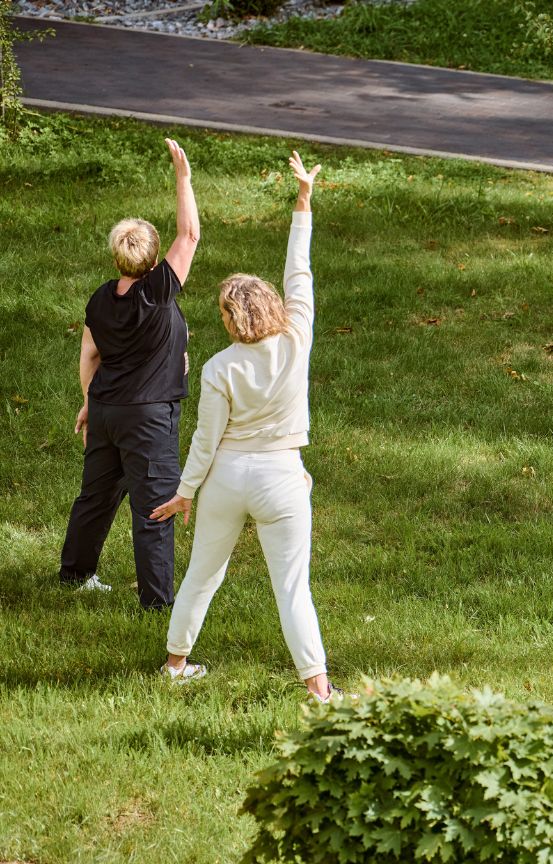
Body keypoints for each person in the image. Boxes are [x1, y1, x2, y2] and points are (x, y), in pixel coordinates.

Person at [149, 152, 338, 702]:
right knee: (292, 588)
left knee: (202, 575)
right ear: (275, 306)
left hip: (228, 479)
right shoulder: (297, 338)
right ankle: (319, 689)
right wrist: (302, 200)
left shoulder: (218, 367)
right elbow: (299, 271)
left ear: (231, 320)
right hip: (282, 478)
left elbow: (206, 440)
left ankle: (175, 664)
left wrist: (186, 492)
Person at [58, 139, 199, 608]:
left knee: (95, 495)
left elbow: (89, 354)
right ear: (154, 262)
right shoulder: (156, 292)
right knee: (154, 505)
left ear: (117, 259)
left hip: (105, 410)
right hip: (148, 418)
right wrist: (183, 178)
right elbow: (189, 236)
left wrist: (88, 402)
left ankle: (75, 574)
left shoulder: (101, 298)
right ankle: (157, 603)